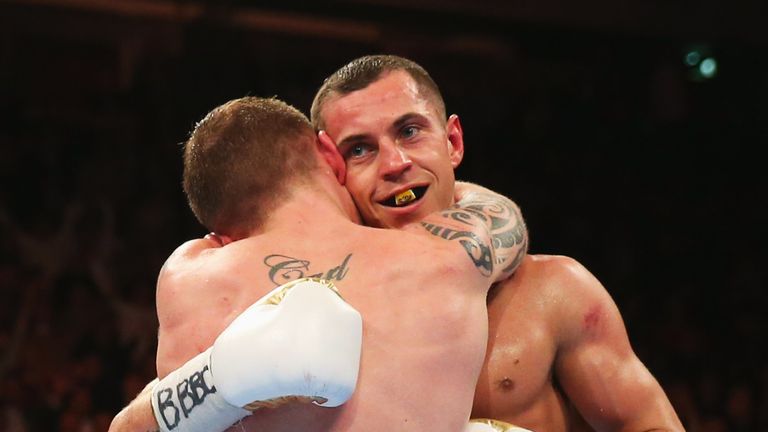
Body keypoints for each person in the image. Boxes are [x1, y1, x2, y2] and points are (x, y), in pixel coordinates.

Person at [109, 96, 529, 432]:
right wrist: (388, 186)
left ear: (220, 231)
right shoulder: (447, 257)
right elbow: (500, 216)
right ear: (329, 154)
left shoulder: (191, 272)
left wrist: (216, 380)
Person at [310, 54, 684, 431]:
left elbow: (649, 423)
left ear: (453, 141)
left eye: (409, 131)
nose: (394, 163)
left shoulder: (555, 292)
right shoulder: (319, 317)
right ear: (333, 173)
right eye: (359, 149)